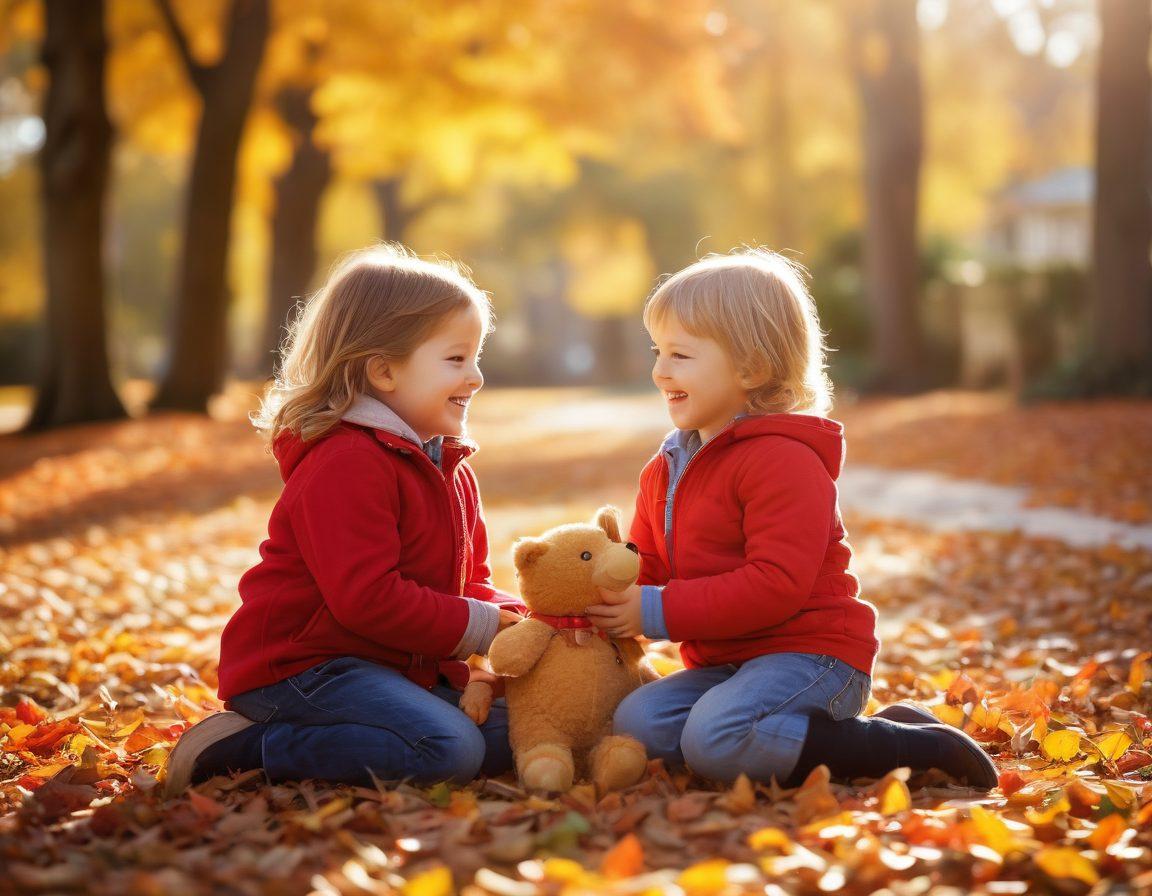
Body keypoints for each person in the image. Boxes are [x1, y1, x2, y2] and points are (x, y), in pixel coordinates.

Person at [588, 249, 998, 790]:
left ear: (751, 368)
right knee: (639, 723)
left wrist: (655, 610)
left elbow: (775, 584)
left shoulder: (784, 460)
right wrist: (597, 596)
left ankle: (911, 746)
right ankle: (831, 733)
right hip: (728, 662)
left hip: (814, 657)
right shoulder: (666, 469)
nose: (660, 370)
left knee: (714, 739)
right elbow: (649, 569)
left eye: (680, 354)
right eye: (657, 351)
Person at [164, 245, 524, 797]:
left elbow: (469, 584)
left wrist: (527, 621)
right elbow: (367, 598)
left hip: (394, 667)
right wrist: (484, 625)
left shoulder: (450, 467)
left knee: (520, 731)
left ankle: (393, 731)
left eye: (476, 358)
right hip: (305, 668)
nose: (475, 377)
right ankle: (243, 748)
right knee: (448, 749)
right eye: (456, 359)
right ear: (383, 370)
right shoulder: (346, 461)